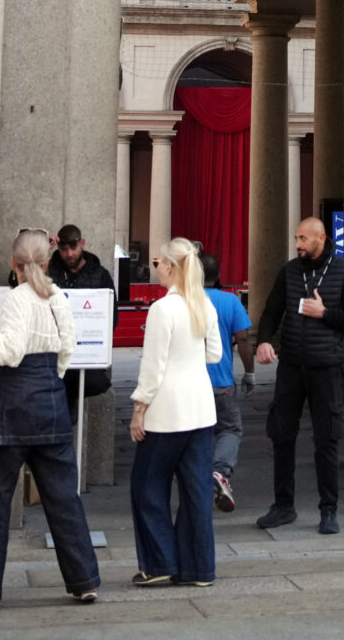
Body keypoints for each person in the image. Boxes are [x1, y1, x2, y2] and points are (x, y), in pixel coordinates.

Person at [0, 229, 101, 611]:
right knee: (64, 498)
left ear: (14, 264)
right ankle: (84, 580)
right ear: (47, 262)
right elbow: (68, 350)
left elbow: (8, 353)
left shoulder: (17, 298)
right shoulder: (57, 296)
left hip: (12, 408)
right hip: (51, 403)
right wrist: (50, 382)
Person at [252, 215, 344, 534]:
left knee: (326, 439)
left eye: (303, 239)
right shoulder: (290, 272)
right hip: (291, 365)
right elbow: (272, 311)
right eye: (296, 239)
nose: (298, 245)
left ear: (320, 238)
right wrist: (263, 340)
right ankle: (283, 506)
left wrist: (326, 314)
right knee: (281, 435)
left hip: (326, 367)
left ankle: (328, 509)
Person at [129, 239, 224, 587]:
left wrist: (139, 408)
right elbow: (214, 354)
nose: (156, 268)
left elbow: (153, 368)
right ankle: (200, 569)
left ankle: (159, 562)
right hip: (200, 407)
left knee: (147, 485)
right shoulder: (204, 304)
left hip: (167, 411)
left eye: (158, 262)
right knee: (196, 490)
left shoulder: (162, 309)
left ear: (170, 266)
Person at [195, 240, 255, 512]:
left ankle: (195, 483)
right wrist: (249, 372)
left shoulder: (183, 301)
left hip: (190, 384)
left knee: (197, 434)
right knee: (230, 429)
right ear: (218, 276)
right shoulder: (230, 301)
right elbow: (243, 339)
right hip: (221, 383)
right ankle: (220, 472)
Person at [47, 224, 116, 423]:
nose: (69, 254)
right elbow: (20, 280)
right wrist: (44, 251)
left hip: (84, 355)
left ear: (82, 244)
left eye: (73, 248)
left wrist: (95, 344)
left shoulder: (100, 274)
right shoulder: (49, 271)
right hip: (55, 354)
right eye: (64, 249)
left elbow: (112, 315)